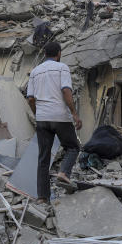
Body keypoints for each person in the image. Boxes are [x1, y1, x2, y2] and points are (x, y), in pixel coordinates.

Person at [26, 41, 82, 204]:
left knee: (43, 158)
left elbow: (30, 99)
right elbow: (66, 90)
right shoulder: (62, 67)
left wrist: (39, 114)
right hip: (59, 116)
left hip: (42, 118)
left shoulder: (35, 72)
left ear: (44, 54)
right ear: (58, 53)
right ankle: (64, 172)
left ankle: (42, 197)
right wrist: (74, 114)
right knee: (73, 147)